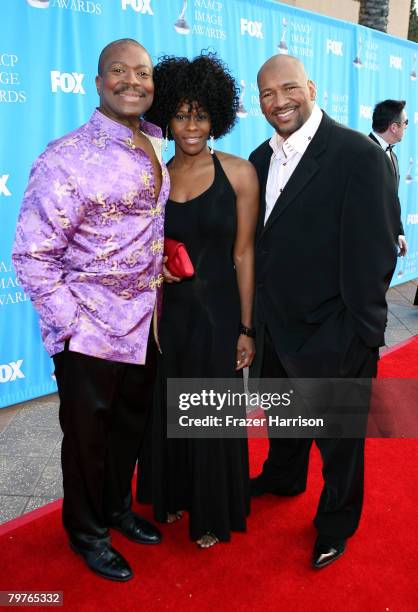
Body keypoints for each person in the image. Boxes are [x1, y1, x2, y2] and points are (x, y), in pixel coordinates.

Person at [12, 39, 170, 582]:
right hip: (89, 330)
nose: (133, 81)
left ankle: (117, 511)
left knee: (128, 427)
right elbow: (32, 254)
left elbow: (139, 230)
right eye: (120, 72)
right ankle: (87, 532)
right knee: (86, 441)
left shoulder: (153, 143)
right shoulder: (65, 156)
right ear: (98, 82)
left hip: (144, 326)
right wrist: (74, 326)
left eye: (143, 73)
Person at [249, 55, 399, 568]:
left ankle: (336, 521)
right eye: (267, 94)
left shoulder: (357, 154)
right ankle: (284, 475)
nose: (279, 101)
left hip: (333, 331)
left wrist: (361, 335)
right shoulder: (260, 158)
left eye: (288, 88)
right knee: (283, 417)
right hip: (274, 326)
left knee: (339, 442)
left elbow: (375, 253)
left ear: (310, 87)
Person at [136, 54, 259, 548]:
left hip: (220, 314)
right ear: (166, 115)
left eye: (201, 115)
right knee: (170, 406)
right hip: (171, 315)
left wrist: (246, 329)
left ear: (217, 119)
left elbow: (244, 254)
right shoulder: (154, 176)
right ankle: (173, 495)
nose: (191, 125)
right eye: (182, 114)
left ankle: (211, 512)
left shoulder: (240, 173)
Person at [369, 99, 408, 256]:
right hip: (366, 246)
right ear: (393, 127)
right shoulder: (362, 153)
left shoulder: (393, 157)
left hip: (386, 246)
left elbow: (392, 199)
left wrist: (399, 233)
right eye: (405, 122)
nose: (406, 126)